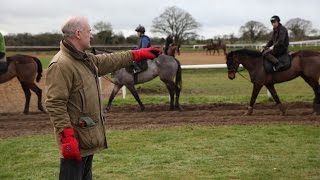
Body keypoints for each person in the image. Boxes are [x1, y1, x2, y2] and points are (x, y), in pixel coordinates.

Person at [45, 16, 160, 180]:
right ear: (78, 33)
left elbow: (111, 60)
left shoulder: (84, 59)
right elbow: (55, 103)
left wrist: (137, 54)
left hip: (86, 139)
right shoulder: (61, 64)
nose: (91, 35)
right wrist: (67, 138)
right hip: (74, 141)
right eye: (89, 31)